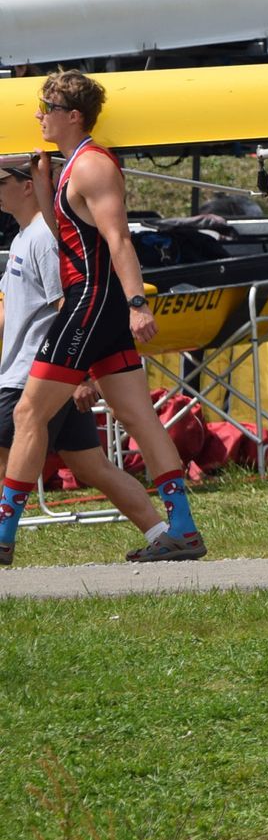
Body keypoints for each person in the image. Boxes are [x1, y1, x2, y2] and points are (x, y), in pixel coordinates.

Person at [2, 72, 207, 565]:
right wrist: (48, 185)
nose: (38, 114)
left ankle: (4, 531)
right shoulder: (71, 167)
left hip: (91, 303)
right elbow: (69, 236)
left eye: (45, 106)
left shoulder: (93, 166)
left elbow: (119, 239)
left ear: (73, 116)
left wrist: (138, 305)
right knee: (138, 417)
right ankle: (180, 528)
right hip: (98, 305)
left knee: (28, 413)